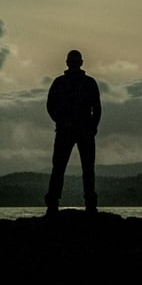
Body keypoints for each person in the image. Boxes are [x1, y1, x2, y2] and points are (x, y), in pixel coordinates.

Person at [45, 49, 101, 215]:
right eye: (73, 62)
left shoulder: (86, 83)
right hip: (68, 130)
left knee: (84, 168)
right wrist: (63, 122)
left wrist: (91, 128)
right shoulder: (62, 83)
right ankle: (54, 203)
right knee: (61, 168)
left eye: (75, 62)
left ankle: (87, 204)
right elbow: (51, 106)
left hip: (80, 131)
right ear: (69, 63)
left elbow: (97, 109)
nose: (74, 65)